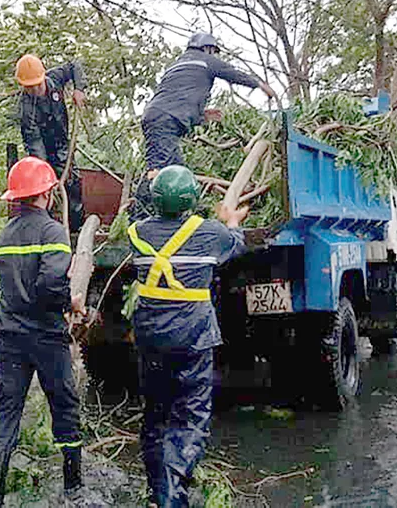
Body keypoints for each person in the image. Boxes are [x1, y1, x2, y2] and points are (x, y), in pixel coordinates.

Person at [126, 165, 249, 507]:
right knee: (190, 417)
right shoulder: (209, 232)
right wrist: (232, 221)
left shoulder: (136, 233)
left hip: (151, 338)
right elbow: (236, 246)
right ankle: (171, 497)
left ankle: (157, 492)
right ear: (192, 199)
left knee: (155, 415)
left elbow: (140, 213)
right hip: (192, 338)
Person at [0, 156, 84, 507]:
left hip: (11, 338)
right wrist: (70, 303)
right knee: (64, 407)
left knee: (5, 412)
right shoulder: (53, 232)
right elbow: (50, 285)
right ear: (47, 193)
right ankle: (73, 488)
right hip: (46, 337)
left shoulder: (3, 236)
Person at [135, 33, 275, 218]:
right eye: (214, 52)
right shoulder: (205, 61)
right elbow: (232, 73)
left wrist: (201, 116)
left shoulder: (177, 65)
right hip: (165, 121)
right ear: (207, 48)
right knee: (162, 173)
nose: (214, 55)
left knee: (174, 170)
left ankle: (159, 217)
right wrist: (260, 85)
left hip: (157, 116)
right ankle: (140, 216)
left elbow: (177, 98)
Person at [15, 54, 86, 232]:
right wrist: (45, 172)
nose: (34, 90)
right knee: (44, 190)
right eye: (29, 87)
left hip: (62, 144)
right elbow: (35, 145)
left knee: (73, 183)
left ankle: (76, 228)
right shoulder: (26, 110)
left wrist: (79, 89)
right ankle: (47, 228)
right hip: (43, 152)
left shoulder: (55, 77)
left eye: (37, 84)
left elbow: (75, 65)